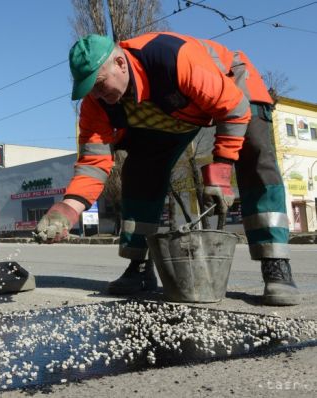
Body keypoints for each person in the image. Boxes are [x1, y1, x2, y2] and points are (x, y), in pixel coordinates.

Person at [35, 32, 300, 306]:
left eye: (100, 84)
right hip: (174, 114)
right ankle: (139, 267)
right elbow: (93, 162)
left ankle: (275, 264)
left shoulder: (173, 58)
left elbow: (233, 108)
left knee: (255, 151)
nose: (97, 94)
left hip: (232, 88)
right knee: (140, 171)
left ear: (120, 63)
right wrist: (67, 210)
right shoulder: (96, 104)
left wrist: (222, 167)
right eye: (90, 88)